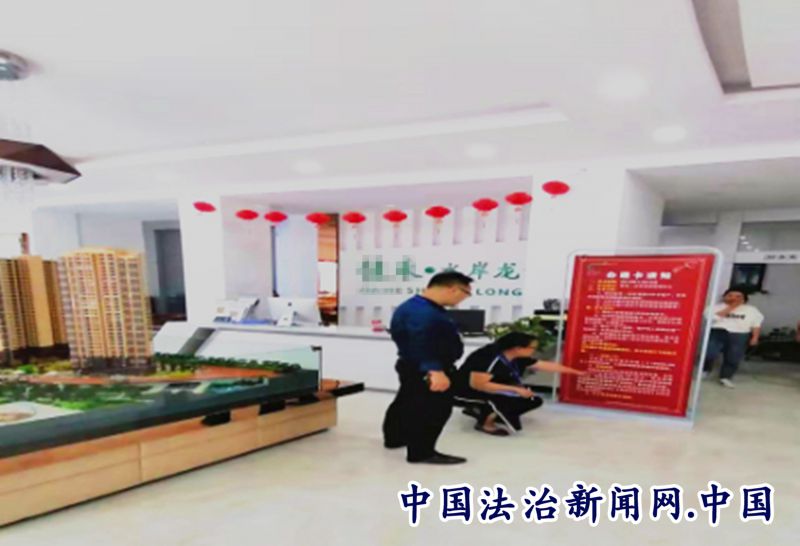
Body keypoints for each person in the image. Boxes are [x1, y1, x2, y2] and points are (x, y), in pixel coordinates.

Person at [382, 272, 473, 464]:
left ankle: (395, 438)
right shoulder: (423, 313)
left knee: (406, 402)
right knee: (433, 409)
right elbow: (420, 342)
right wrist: (435, 371)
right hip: (428, 368)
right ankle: (422, 452)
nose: (463, 299)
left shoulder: (417, 306)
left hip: (413, 365)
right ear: (453, 289)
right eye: (465, 294)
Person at [454, 332, 583, 436]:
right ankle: (485, 424)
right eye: (532, 348)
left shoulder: (517, 357)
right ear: (518, 348)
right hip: (466, 390)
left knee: (532, 400)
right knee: (501, 399)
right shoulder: (487, 357)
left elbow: (543, 365)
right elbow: (478, 385)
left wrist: (576, 372)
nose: (534, 350)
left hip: (491, 387)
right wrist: (515, 390)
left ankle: (488, 413)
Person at [703, 287, 764, 388]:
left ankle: (725, 377)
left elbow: (756, 325)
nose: (734, 298)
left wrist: (755, 337)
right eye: (730, 295)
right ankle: (706, 370)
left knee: (733, 357)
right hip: (718, 332)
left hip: (740, 335)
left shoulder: (752, 310)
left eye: (738, 296)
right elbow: (710, 318)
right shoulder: (715, 307)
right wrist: (731, 307)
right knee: (710, 353)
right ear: (724, 297)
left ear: (744, 299)